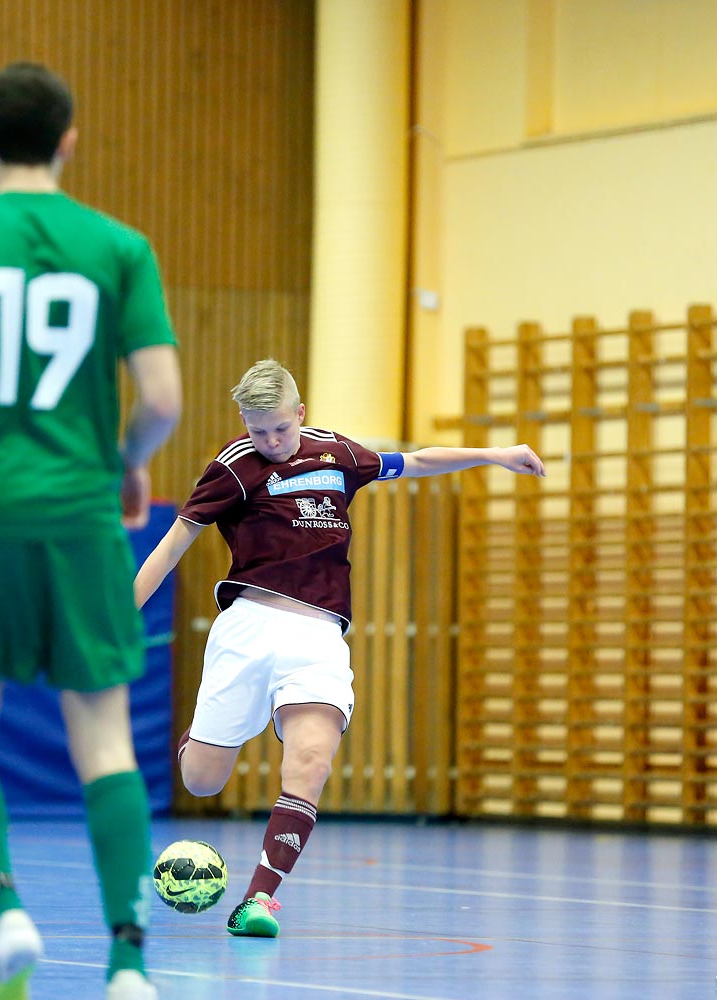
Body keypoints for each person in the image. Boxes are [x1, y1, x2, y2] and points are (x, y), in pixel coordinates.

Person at [0, 61, 181, 1000]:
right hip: (79, 514)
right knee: (105, 743)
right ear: (70, 141)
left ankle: (3, 907)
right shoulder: (119, 247)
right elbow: (165, 400)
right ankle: (130, 959)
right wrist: (129, 459)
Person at [132, 359, 545, 937]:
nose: (271, 441)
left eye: (280, 427)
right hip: (249, 628)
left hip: (320, 637)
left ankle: (257, 902)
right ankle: (199, 738)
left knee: (312, 761)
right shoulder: (234, 468)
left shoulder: (338, 455)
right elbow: (175, 543)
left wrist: (495, 453)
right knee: (203, 779)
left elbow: (418, 460)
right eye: (257, 430)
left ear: (300, 413)